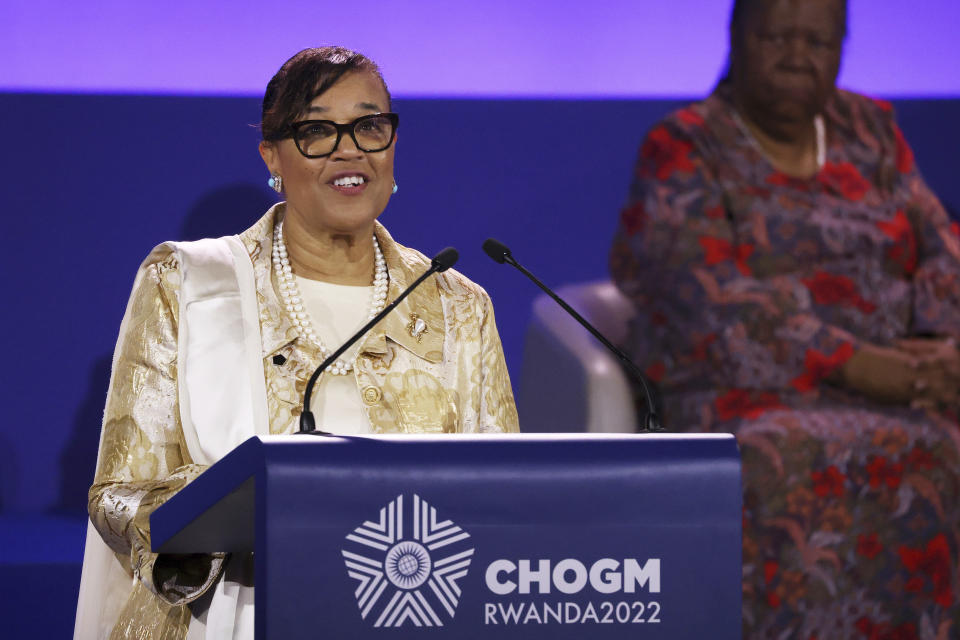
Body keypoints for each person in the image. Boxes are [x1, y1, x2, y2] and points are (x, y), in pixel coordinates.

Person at [75, 46, 519, 639]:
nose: (350, 149)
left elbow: (506, 491)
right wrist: (228, 503)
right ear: (272, 157)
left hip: (412, 611)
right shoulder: (186, 283)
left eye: (370, 126)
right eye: (316, 131)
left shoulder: (457, 303)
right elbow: (116, 497)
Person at [611, 0, 960, 636]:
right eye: (778, 35)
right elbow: (700, 294)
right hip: (747, 391)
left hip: (904, 380)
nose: (798, 55)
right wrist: (857, 365)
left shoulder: (871, 128)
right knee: (784, 460)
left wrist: (940, 348)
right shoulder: (686, 145)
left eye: (820, 41)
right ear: (737, 35)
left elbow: (939, 241)